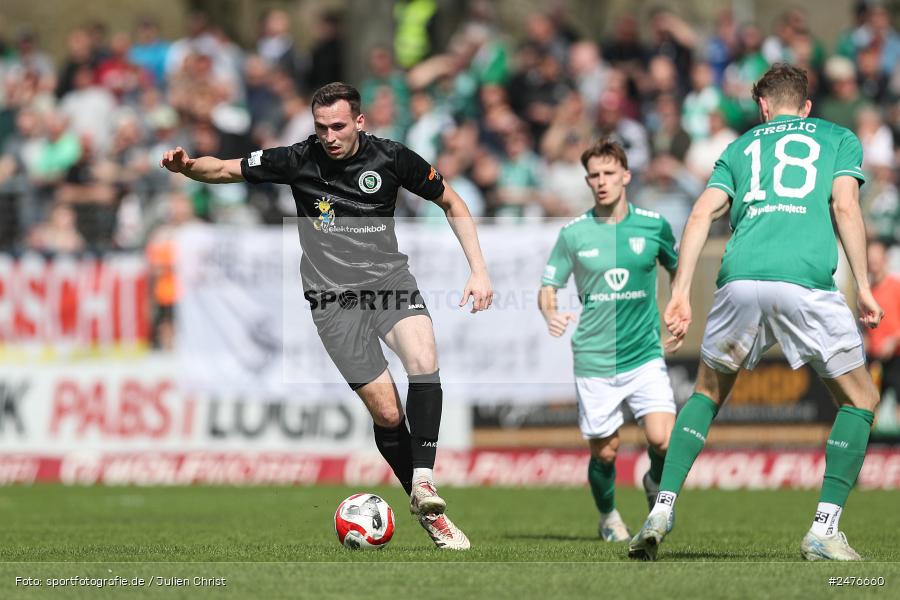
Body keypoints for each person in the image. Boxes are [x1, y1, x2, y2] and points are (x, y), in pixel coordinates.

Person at [160, 82, 492, 550]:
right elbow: (225, 170)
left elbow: (452, 202)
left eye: (338, 126)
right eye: (321, 128)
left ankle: (424, 483)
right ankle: (425, 511)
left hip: (388, 285)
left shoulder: (393, 158)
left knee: (423, 355)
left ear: (359, 122)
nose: (330, 136)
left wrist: (478, 270)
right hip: (333, 303)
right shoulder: (299, 159)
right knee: (388, 412)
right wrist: (188, 167)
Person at [629, 64, 883, 562]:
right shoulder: (838, 137)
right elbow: (846, 208)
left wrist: (679, 291)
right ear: (806, 106)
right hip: (804, 279)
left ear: (763, 107)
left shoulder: (740, 146)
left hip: (740, 276)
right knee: (862, 399)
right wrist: (865, 287)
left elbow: (701, 212)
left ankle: (662, 506)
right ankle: (823, 529)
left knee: (707, 392)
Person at [538, 139, 678, 542]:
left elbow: (677, 266)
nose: (601, 182)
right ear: (587, 181)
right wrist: (551, 312)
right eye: (594, 176)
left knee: (663, 440)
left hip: (644, 352)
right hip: (595, 357)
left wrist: (679, 304)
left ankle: (654, 481)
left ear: (626, 176)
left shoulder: (654, 224)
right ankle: (609, 516)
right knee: (606, 451)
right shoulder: (574, 233)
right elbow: (548, 284)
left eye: (609, 174)